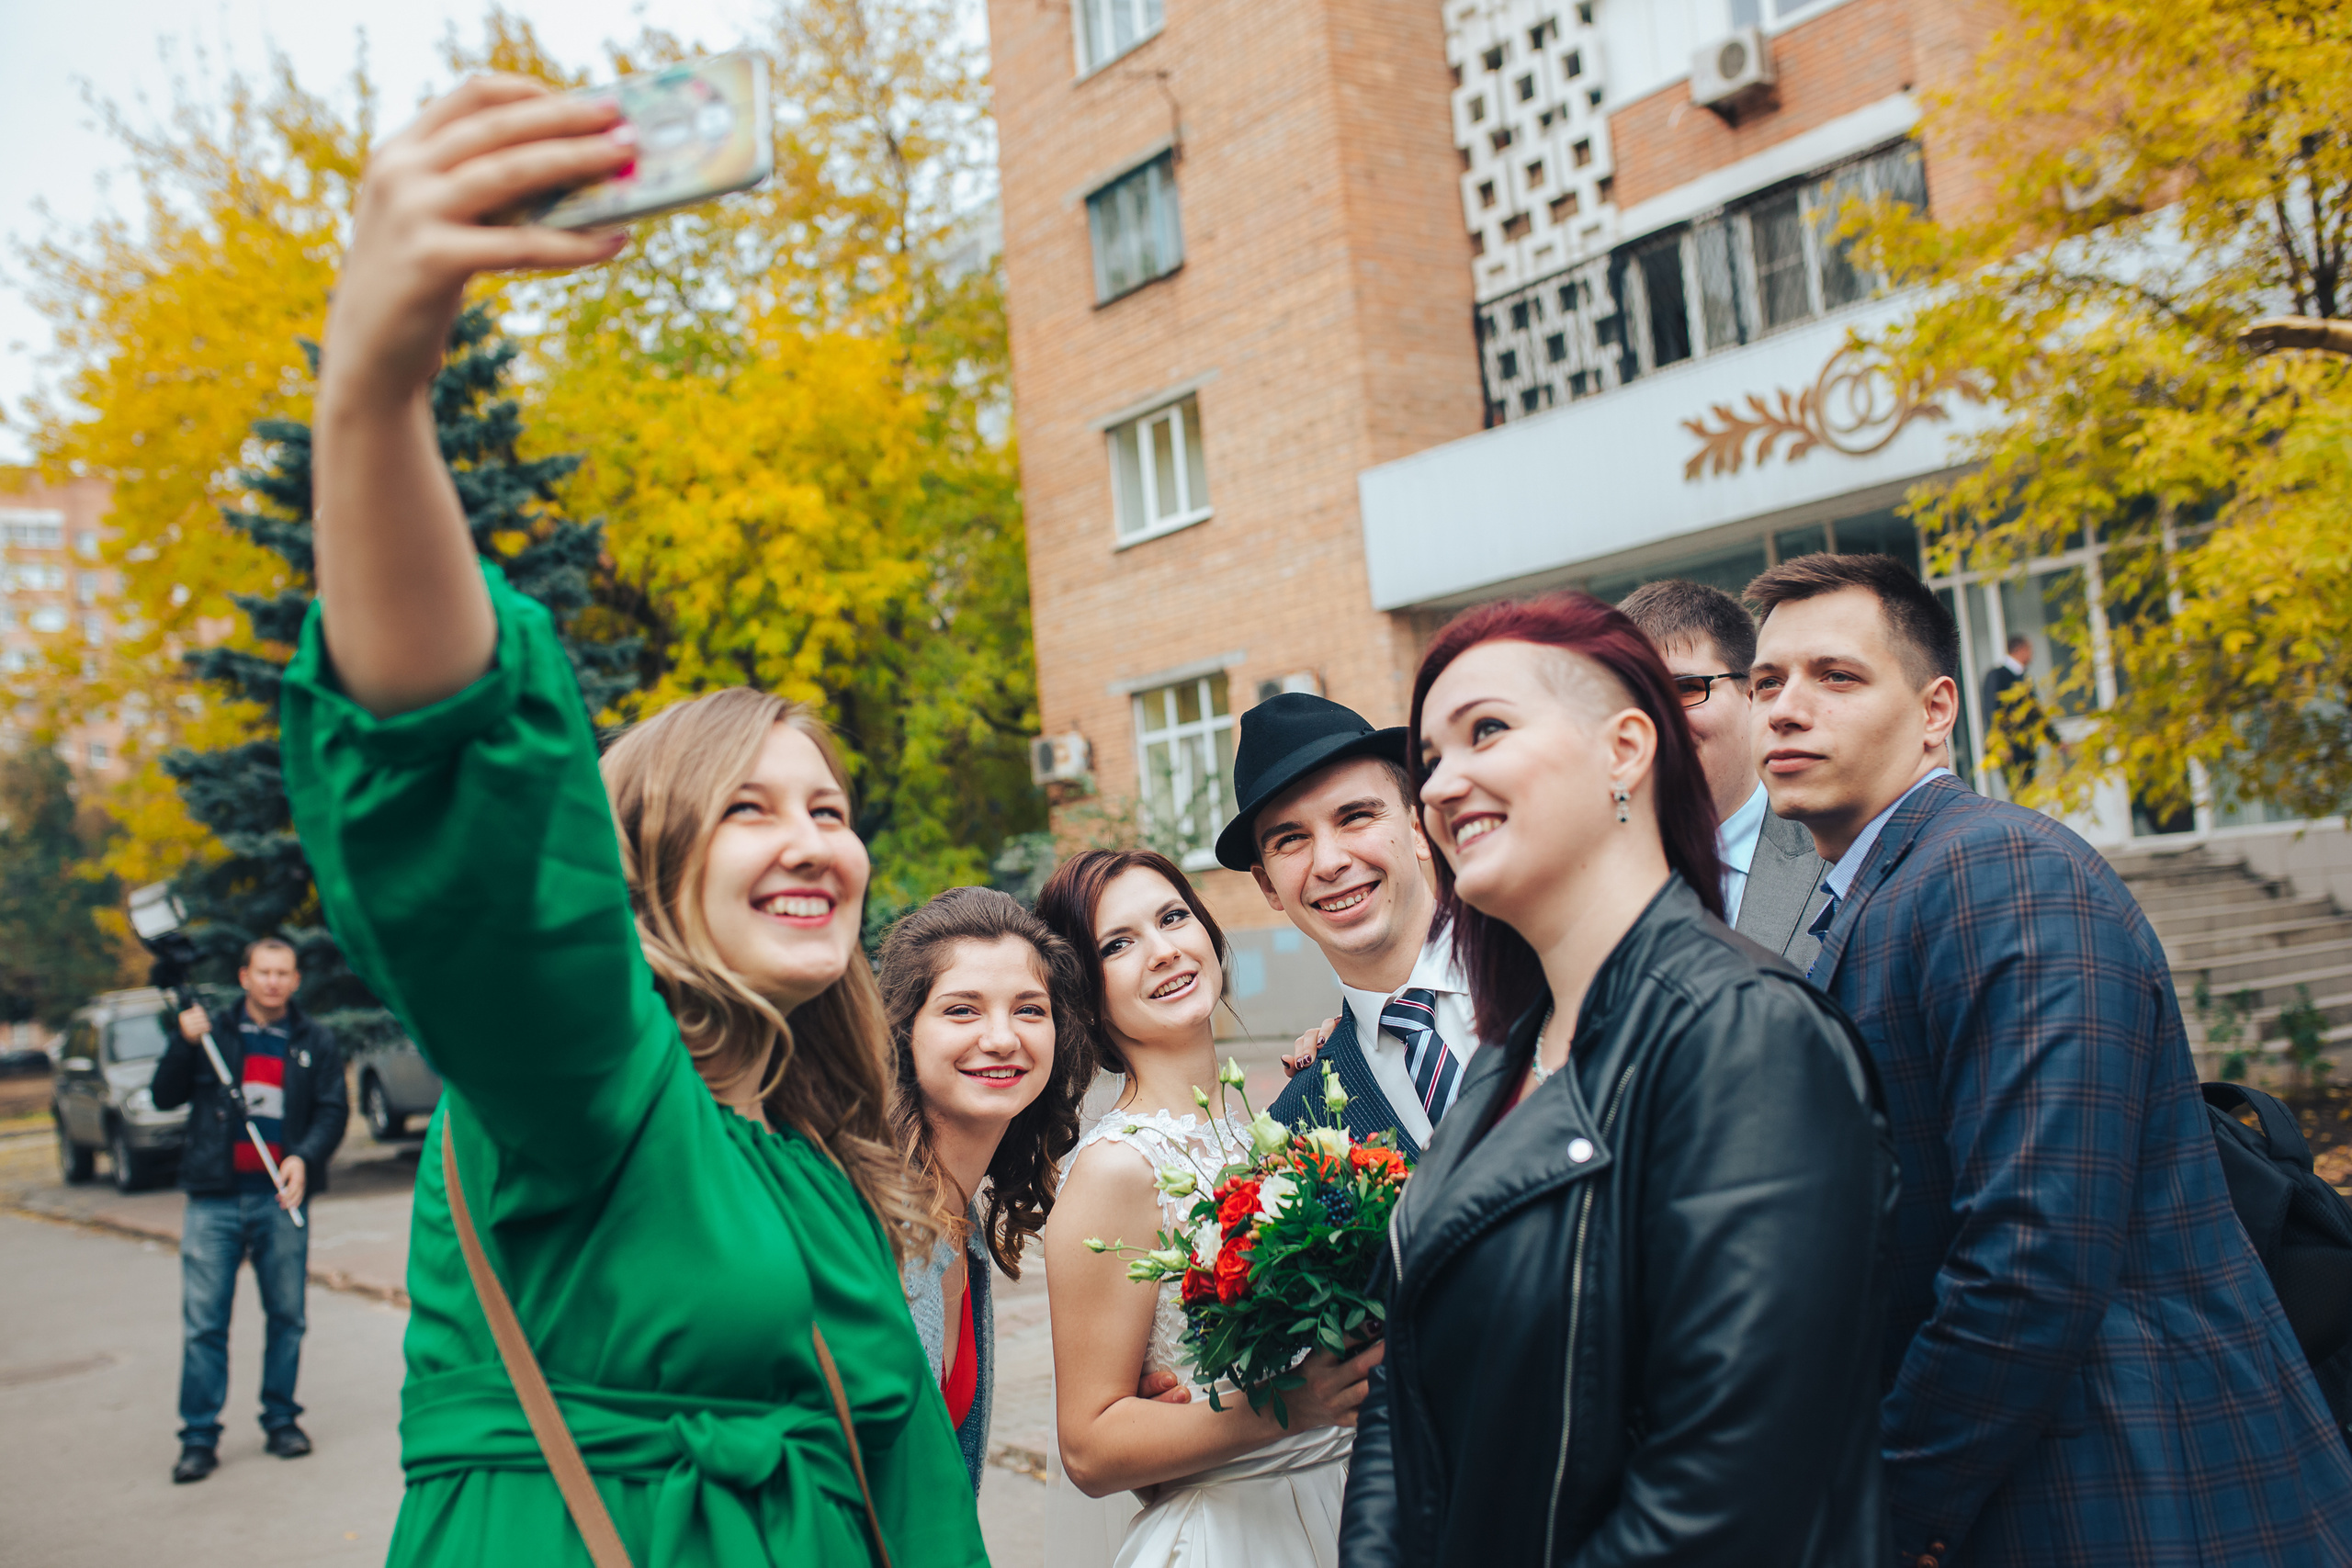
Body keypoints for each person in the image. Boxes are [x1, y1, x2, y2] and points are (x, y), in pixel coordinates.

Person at [284, 74, 984, 1566]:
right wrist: (377, 386)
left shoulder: (813, 1138)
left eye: (832, 809)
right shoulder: (588, 1085)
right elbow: (465, 807)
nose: (815, 841)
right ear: (649, 870)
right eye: (748, 809)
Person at [1746, 552, 2352, 1567]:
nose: (1785, 709)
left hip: (2116, 1486)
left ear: (1937, 710)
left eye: (1835, 677)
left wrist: (1892, 1511)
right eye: (1767, 683)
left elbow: (2031, 1250)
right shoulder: (1872, 889)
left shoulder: (2000, 872)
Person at [1340, 592, 1896, 1568]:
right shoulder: (1505, 1062)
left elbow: (1730, 1491)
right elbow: (1401, 1401)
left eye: (1486, 732)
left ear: (1626, 750)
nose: (1439, 785)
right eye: (1429, 761)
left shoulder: (1745, 1037)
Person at [1036, 848, 1384, 1568]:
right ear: (1086, 994)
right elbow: (1090, 1447)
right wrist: (1293, 1400)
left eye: (1172, 917)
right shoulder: (1117, 1169)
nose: (1163, 951)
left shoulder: (1260, 1128)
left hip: (1338, 1504)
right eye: (1118, 943)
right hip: (1231, 1535)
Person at [879, 886, 1093, 1492]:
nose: (1002, 1038)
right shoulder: (866, 1216)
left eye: (1029, 1009)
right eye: (962, 1009)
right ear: (904, 1031)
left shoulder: (961, 1225)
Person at [1212, 694, 1485, 1156]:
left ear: (1419, 828)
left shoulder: (1550, 970)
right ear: (1268, 887)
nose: (1330, 863)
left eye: (1356, 816)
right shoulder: (1298, 1125)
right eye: (1291, 839)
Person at [151, 936, 345, 1483]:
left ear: (296, 980)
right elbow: (164, 1095)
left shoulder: (315, 1040)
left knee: (287, 1317)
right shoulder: (210, 1032)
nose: (273, 982)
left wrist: (305, 1158)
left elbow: (332, 1110)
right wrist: (183, 1044)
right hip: (213, 1198)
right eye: (263, 971)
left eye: (283, 972)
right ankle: (199, 1436)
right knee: (204, 1323)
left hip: (279, 1198)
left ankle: (281, 1419)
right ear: (244, 976)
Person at [1620, 578, 1829, 967]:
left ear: (1752, 695)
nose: (1658, 721)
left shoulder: (1840, 859)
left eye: (1685, 688)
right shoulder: (1592, 876)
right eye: (1634, 697)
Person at [1979, 632, 2057, 790]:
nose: (2032, 656)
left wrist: (2055, 740)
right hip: (2009, 751)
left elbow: (2035, 714)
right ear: (2021, 650)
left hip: (2025, 749)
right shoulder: (1997, 676)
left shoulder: (2023, 678)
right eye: (2030, 650)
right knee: (2019, 794)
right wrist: (2002, 746)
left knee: (2027, 794)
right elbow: (1992, 712)